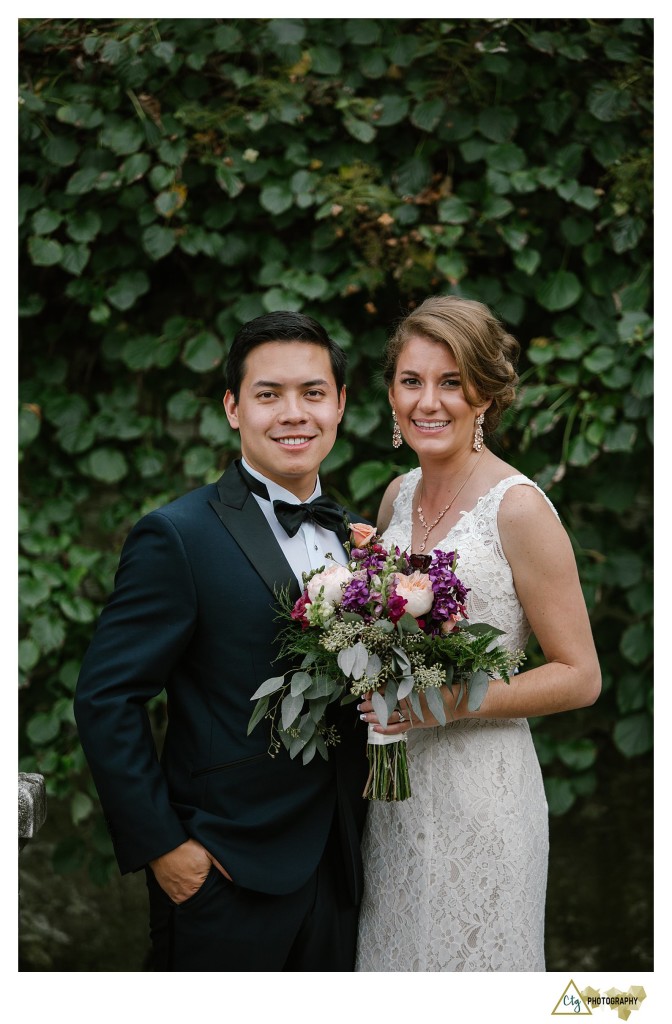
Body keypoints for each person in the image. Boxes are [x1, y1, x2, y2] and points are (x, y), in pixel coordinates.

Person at [74, 311, 370, 972]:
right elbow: (107, 698)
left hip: (344, 869)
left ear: (341, 405)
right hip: (223, 873)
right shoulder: (177, 536)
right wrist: (167, 853)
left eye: (313, 393)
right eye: (269, 394)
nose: (294, 413)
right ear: (234, 408)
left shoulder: (360, 537)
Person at [355, 295, 601, 972]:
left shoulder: (518, 508)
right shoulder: (397, 496)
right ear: (391, 394)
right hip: (396, 793)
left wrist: (456, 701)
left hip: (483, 796)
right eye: (412, 381)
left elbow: (580, 675)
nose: (428, 402)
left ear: (486, 396)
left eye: (452, 381)